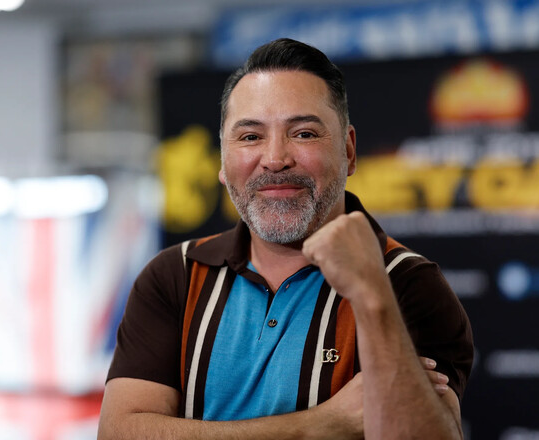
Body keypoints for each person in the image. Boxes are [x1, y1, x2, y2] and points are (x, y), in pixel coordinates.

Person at [98, 38, 473, 439]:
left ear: (348, 151)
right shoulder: (176, 275)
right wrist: (320, 424)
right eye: (250, 137)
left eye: (304, 133)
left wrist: (372, 298)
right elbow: (120, 433)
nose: (275, 159)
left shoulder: (406, 283)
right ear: (222, 160)